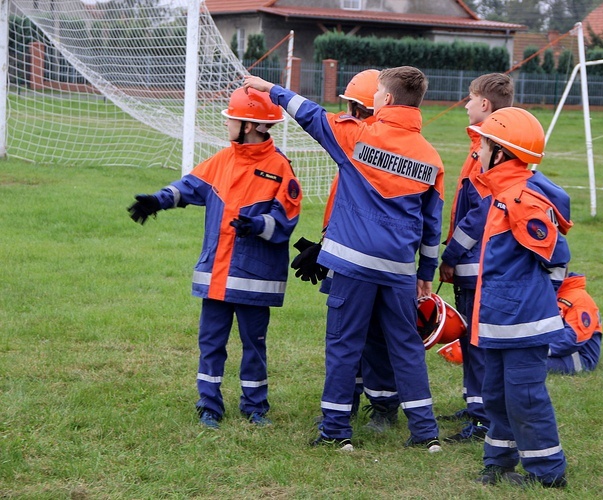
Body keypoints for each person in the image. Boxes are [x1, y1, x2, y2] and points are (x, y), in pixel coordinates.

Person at [244, 66, 444, 452]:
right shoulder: (431, 158)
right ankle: (425, 433)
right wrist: (426, 273)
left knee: (343, 345)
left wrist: (271, 89)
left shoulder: (357, 136)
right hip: (401, 271)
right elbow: (432, 226)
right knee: (406, 348)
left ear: (384, 99)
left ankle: (336, 431)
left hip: (353, 267)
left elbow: (310, 114)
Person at [127, 87, 301, 429]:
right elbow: (189, 186)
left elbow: (286, 219)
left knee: (254, 344)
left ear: (248, 125)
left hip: (255, 278)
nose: (228, 125)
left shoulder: (280, 167)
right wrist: (157, 200)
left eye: (232, 119)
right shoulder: (223, 160)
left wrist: (257, 226)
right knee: (211, 343)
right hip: (215, 278)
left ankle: (255, 406)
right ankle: (209, 404)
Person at [467, 107, 572, 488]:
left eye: (482, 144)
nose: (476, 151)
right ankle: (498, 462)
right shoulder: (501, 193)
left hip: (523, 325)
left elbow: (557, 257)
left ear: (501, 153)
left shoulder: (521, 200)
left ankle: (548, 474)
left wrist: (541, 302)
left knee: (525, 398)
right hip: (499, 320)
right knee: (495, 396)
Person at [294, 69, 401, 433]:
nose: (348, 116)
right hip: (347, 256)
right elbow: (345, 210)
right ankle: (348, 403)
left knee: (375, 336)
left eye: (354, 109)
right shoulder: (355, 151)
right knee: (347, 335)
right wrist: (325, 248)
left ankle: (384, 406)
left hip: (374, 265)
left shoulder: (375, 152)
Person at [438, 73, 514, 443]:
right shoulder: (483, 145)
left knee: (478, 341)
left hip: (478, 264)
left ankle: (484, 418)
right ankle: (474, 405)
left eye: (469, 98)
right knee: (470, 339)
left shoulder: (493, 147)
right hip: (473, 264)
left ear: (485, 104)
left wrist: (450, 252)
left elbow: (481, 211)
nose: (464, 104)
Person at [548, 271, 603, 374]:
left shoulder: (580, 300)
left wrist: (538, 350)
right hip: (554, 351)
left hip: (578, 358)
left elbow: (572, 339)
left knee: (526, 365)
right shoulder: (551, 292)